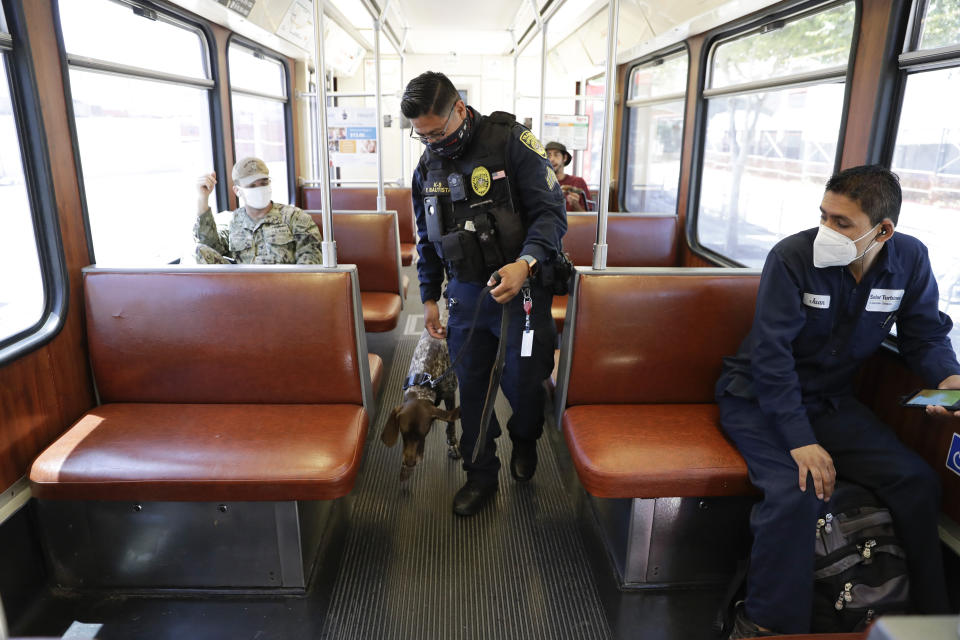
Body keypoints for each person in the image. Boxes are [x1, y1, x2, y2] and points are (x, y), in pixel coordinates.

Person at [715, 165, 960, 637]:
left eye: (842, 222)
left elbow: (924, 334)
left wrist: (949, 379)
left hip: (830, 401)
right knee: (795, 493)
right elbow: (771, 356)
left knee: (916, 482)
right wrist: (800, 441)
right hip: (759, 397)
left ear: (883, 230)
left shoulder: (909, 259)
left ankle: (928, 620)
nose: (826, 230)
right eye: (823, 216)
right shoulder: (792, 256)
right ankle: (764, 626)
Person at [402, 71, 566, 517]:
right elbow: (426, 237)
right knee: (472, 387)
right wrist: (430, 296)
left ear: (459, 107)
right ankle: (480, 473)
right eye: (422, 136)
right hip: (467, 294)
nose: (432, 141)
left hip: (523, 290)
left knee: (525, 383)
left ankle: (526, 438)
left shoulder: (512, 141)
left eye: (438, 131)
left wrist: (525, 262)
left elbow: (552, 215)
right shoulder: (427, 169)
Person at [194, 156, 322, 264]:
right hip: (242, 289)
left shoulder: (296, 218)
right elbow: (209, 248)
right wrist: (202, 198)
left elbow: (310, 266)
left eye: (263, 183)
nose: (259, 189)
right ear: (237, 191)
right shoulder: (233, 222)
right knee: (198, 250)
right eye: (252, 186)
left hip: (285, 288)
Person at [545, 141, 591, 211]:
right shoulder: (542, 183)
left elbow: (588, 218)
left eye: (556, 155)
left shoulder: (578, 182)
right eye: (549, 155)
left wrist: (575, 204)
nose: (552, 159)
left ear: (565, 158)